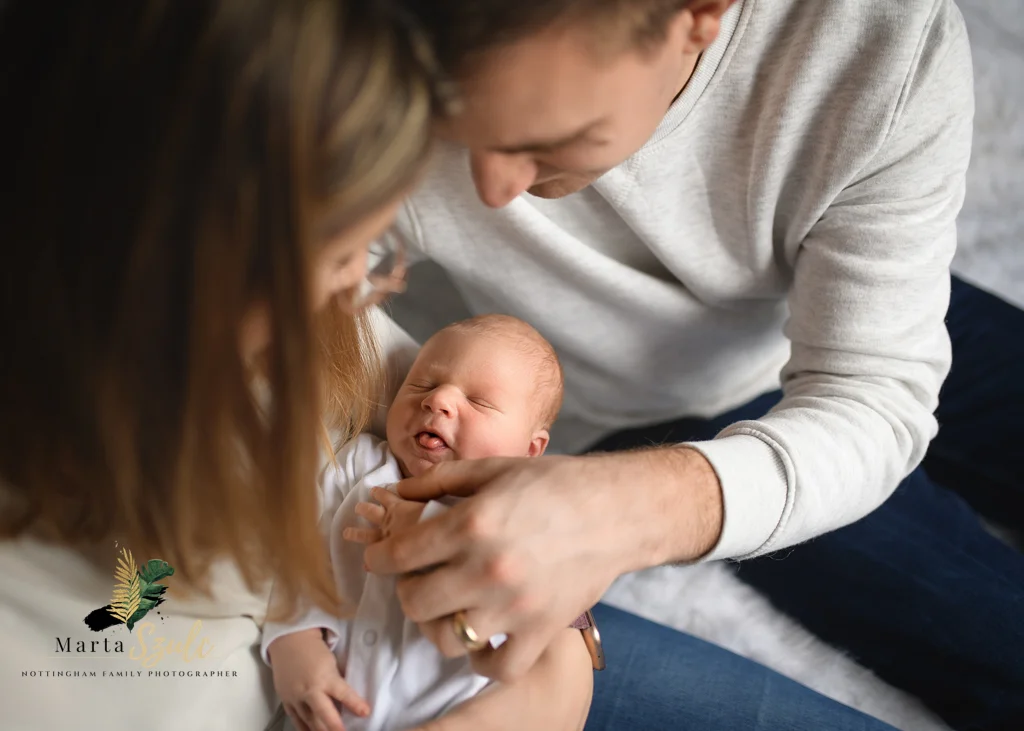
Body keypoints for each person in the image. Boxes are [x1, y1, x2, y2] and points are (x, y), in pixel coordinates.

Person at [356, 0, 1024, 729]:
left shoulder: (880, 41)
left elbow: (873, 393)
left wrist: (625, 509)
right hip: (640, 406)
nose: (490, 191)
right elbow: (283, 303)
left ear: (701, 16)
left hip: (844, 286)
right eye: (455, 127)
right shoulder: (358, 46)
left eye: (551, 139)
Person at [0, 2, 591, 730]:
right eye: (345, 252)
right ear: (195, 254)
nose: (367, 288)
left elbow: (511, 495)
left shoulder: (320, 335)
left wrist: (561, 662)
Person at [262, 314, 590, 731]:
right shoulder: (357, 466)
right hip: (330, 709)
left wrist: (436, 529)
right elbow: (298, 555)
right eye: (423, 384)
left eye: (480, 402)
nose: (438, 401)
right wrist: (295, 642)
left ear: (529, 449)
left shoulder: (517, 513)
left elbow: (514, 613)